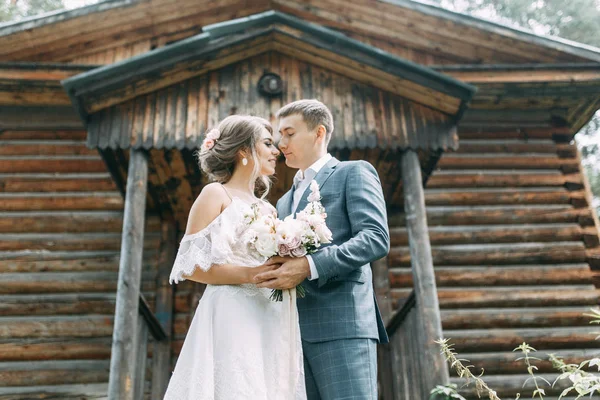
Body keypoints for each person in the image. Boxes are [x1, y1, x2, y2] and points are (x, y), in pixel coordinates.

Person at [254, 99, 390, 400]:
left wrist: (309, 266)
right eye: (279, 134)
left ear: (319, 132)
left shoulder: (353, 172)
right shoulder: (284, 201)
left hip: (343, 323)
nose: (281, 142)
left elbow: (375, 237)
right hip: (294, 330)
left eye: (289, 133)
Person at [164, 115, 306, 399]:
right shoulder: (215, 194)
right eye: (267, 143)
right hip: (232, 313)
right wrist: (252, 275)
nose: (276, 150)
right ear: (243, 151)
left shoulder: (269, 211)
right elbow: (190, 267)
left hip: (270, 313)